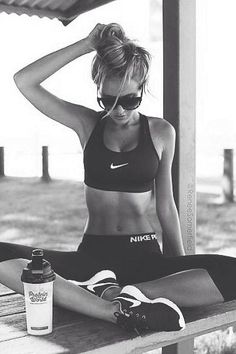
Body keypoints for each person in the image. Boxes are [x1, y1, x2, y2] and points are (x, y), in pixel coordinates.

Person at [1, 22, 236, 334]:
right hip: (92, 260)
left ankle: (124, 295)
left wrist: (176, 271)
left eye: (129, 100)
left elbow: (166, 207)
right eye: (107, 100)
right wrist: (86, 44)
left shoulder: (161, 132)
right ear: (98, 91)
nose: (119, 109)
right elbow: (24, 81)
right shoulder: (87, 124)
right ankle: (109, 308)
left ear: (142, 88)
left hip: (145, 256)